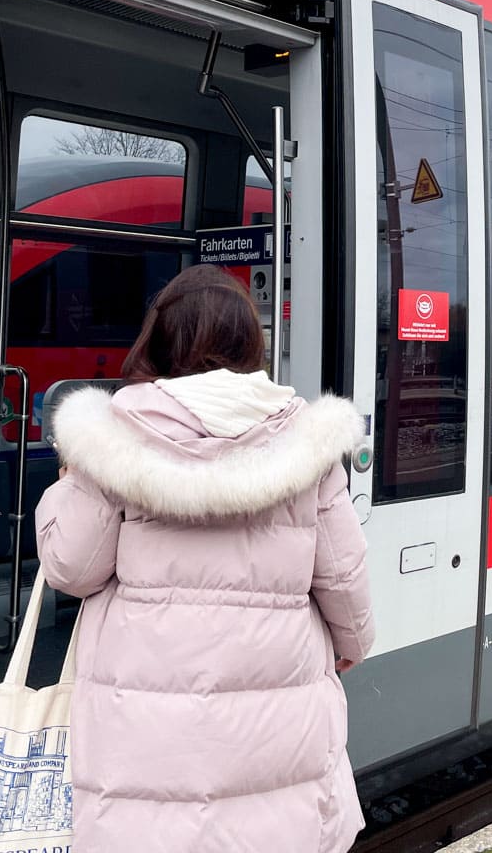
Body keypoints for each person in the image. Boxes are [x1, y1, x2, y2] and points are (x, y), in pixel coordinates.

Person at [36, 264, 374, 852]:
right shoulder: (307, 442)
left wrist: (68, 480)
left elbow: (70, 567)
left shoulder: (113, 434)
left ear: (159, 339)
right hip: (275, 730)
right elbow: (345, 583)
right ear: (251, 340)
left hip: (145, 739)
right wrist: (350, 647)